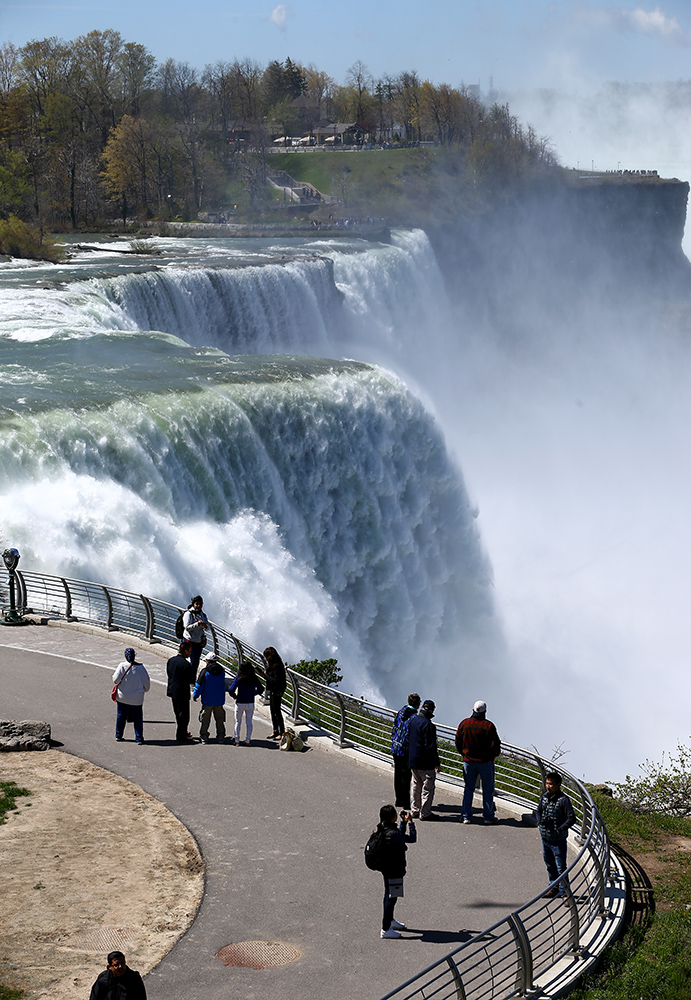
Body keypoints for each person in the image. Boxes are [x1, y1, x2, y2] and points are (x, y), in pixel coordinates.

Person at [455, 699, 501, 824]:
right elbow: (496, 745)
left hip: (469, 762)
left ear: (473, 710)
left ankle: (466, 816)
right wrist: (493, 756)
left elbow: (458, 741)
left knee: (469, 788)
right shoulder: (489, 726)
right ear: (485, 712)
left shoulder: (464, 724)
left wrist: (464, 753)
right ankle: (488, 816)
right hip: (485, 762)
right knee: (487, 789)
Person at [377, 804, 417, 938]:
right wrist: (410, 822)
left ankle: (389, 920)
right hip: (394, 869)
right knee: (392, 897)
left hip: (387, 868)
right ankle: (385, 928)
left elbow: (399, 835)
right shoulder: (392, 833)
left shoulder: (384, 829)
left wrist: (402, 822)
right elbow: (412, 838)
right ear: (391, 817)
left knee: (388, 894)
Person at [536, 771, 576, 899]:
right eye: (547, 783)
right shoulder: (544, 797)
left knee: (561, 868)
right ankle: (553, 888)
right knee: (549, 865)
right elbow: (538, 811)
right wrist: (539, 822)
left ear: (558, 784)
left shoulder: (564, 800)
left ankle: (565, 893)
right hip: (545, 838)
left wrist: (560, 829)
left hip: (558, 840)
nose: (548, 786)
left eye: (551, 784)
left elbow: (572, 818)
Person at [408, 699, 441, 820]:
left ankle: (415, 810)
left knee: (416, 786)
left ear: (422, 707)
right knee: (427, 788)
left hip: (413, 760)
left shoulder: (413, 720)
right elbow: (431, 747)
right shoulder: (429, 725)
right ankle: (425, 813)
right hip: (425, 763)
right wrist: (436, 763)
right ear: (432, 710)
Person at [112, 648, 150, 745]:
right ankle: (139, 738)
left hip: (123, 697)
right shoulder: (141, 668)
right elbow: (147, 685)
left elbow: (115, 680)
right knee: (137, 719)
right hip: (137, 699)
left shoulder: (122, 666)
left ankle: (118, 735)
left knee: (121, 716)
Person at [391, 693, 421, 809]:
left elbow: (395, 727)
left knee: (397, 774)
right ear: (418, 704)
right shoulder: (414, 718)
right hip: (406, 750)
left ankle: (398, 800)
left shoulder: (400, 712)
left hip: (396, 747)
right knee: (406, 777)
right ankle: (405, 802)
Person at [192, 651, 227, 743]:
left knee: (205, 720)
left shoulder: (205, 672)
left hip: (207, 700)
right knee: (220, 720)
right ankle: (221, 737)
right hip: (219, 700)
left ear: (207, 661)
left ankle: (204, 737)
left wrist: (195, 695)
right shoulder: (222, 671)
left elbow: (199, 685)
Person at [228, 659, 264, 745]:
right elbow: (261, 689)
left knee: (238, 721)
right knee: (249, 722)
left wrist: (234, 696)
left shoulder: (239, 678)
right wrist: (253, 694)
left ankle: (237, 740)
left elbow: (230, 690)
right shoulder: (254, 679)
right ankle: (247, 740)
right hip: (250, 703)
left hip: (240, 702)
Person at [166, 640, 196, 742]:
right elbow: (191, 680)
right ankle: (181, 736)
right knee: (184, 716)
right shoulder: (186, 664)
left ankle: (183, 731)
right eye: (190, 651)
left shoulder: (171, 661)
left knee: (177, 712)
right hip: (182, 692)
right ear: (186, 651)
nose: (190, 653)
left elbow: (169, 674)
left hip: (173, 691)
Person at [263, 646, 287, 740]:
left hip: (277, 690)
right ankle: (275, 731)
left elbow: (275, 680)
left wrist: (265, 675)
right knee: (273, 711)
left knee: (277, 712)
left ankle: (281, 732)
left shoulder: (277, 666)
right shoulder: (273, 665)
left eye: (267, 656)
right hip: (273, 690)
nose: (266, 659)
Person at [182, 595, 209, 672]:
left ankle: (191, 679)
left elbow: (208, 627)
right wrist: (197, 624)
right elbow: (186, 627)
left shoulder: (203, 615)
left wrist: (205, 626)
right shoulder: (188, 614)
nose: (199, 606)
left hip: (198, 642)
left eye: (200, 604)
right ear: (193, 604)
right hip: (189, 641)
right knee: (192, 661)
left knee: (195, 662)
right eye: (197, 604)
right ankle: (189, 679)